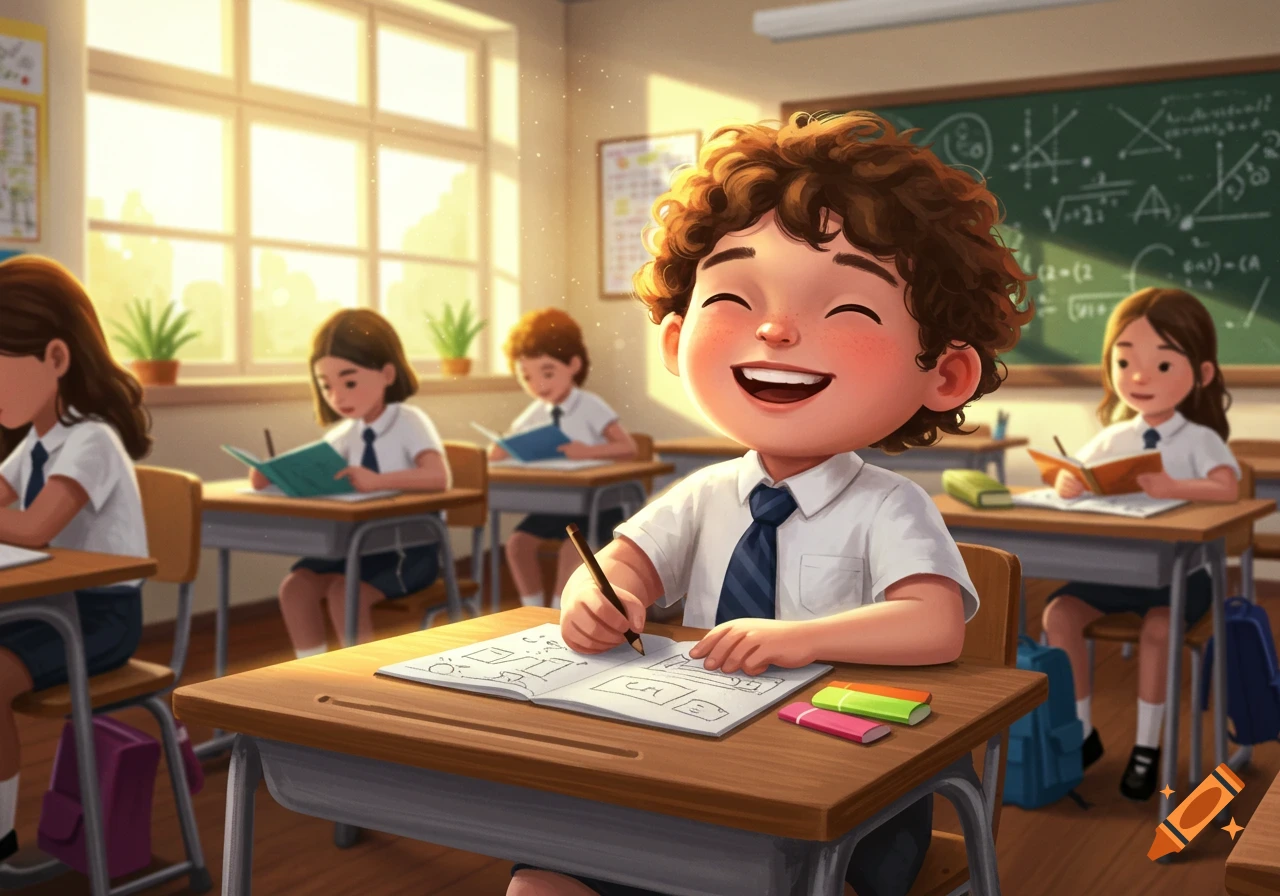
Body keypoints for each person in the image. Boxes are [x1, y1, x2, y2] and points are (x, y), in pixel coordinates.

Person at [508, 111, 1033, 896]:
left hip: (848, 783)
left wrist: (794, 640)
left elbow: (934, 625)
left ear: (945, 374)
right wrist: (594, 597)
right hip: (700, 752)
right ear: (677, 340)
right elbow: (624, 563)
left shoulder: (888, 507)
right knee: (544, 874)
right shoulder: (707, 493)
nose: (777, 330)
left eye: (848, 310)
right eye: (735, 298)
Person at [1042, 287, 1239, 801]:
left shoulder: (1199, 439)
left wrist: (1175, 486)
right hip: (1118, 572)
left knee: (1159, 629)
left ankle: (1147, 748)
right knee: (1059, 614)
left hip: (1183, 575)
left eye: (1163, 364)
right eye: (1125, 361)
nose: (1140, 377)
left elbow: (1227, 487)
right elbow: (1077, 474)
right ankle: (1083, 732)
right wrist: (1068, 481)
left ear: (1202, 374)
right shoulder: (1113, 437)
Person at [0, 255, 153, 864]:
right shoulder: (37, 442)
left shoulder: (93, 440)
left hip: (99, 619)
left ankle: (1, 838)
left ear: (57, 358)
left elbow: (36, 527)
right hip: (48, 608)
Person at [262, 308, 451, 657]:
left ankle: (361, 678)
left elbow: (438, 477)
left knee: (343, 593)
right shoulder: (345, 433)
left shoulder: (409, 421)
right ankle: (313, 672)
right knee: (295, 589)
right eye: (327, 386)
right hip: (356, 548)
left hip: (407, 548)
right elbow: (312, 467)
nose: (338, 396)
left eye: (349, 383)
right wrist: (272, 473)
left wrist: (379, 481)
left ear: (387, 374)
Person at [492, 308, 636, 609]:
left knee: (574, 548)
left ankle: (560, 610)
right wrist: (502, 449)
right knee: (518, 545)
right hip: (556, 505)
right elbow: (506, 446)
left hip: (597, 507)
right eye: (527, 377)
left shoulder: (590, 405)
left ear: (573, 365)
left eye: (547, 373)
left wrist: (588, 451)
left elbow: (628, 448)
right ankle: (533, 609)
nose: (539, 385)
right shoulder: (535, 412)